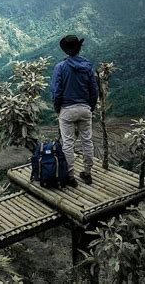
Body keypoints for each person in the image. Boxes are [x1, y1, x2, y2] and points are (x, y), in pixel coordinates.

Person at [50, 35, 98, 187]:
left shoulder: (60, 67)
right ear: (79, 49)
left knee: (68, 144)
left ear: (65, 51)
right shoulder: (88, 66)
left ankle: (70, 176)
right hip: (85, 109)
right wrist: (90, 107)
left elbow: (57, 91)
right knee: (87, 141)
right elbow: (94, 91)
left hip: (67, 110)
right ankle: (87, 173)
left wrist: (58, 109)